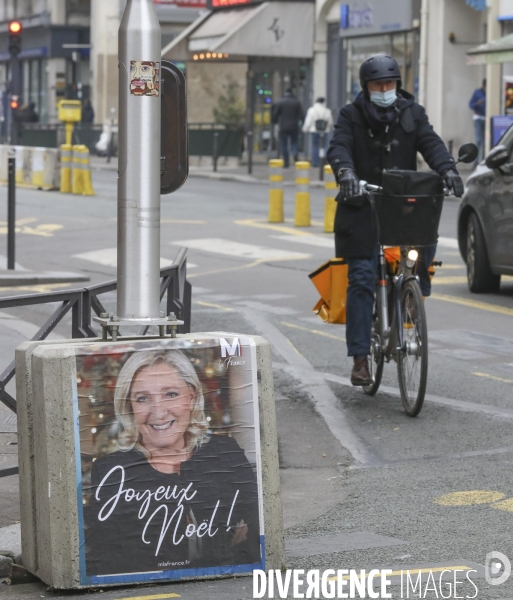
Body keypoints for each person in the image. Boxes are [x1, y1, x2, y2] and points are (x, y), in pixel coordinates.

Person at [327, 54, 463, 386]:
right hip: (361, 207)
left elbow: (431, 143)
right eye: (378, 84)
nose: (385, 89)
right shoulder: (350, 115)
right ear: (366, 87)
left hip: (401, 207)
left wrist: (447, 169)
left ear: (397, 85)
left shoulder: (411, 114)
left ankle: (416, 294)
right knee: (361, 279)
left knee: (425, 242)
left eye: (390, 84)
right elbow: (339, 147)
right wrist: (345, 173)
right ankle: (360, 358)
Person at [84, 348, 260, 576]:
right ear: (130, 407)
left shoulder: (224, 453)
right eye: (143, 398)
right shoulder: (111, 470)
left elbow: (255, 538)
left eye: (170, 394)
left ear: (192, 397)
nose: (158, 412)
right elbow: (117, 561)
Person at [272, 88, 304, 168]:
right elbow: (302, 115)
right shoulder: (296, 102)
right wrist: (301, 122)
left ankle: (286, 162)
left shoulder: (281, 102)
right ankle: (295, 155)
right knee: (294, 143)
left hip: (283, 126)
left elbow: (275, 114)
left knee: (284, 145)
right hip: (294, 126)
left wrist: (274, 122)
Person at [302, 97, 333, 167]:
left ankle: (315, 163)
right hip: (325, 131)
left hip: (314, 130)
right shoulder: (327, 110)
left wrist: (305, 129)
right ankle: (324, 161)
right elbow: (330, 122)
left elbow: (308, 121)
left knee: (315, 146)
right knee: (324, 146)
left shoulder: (312, 110)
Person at [469, 79, 486, 165]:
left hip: (485, 118)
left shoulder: (490, 92)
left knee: (485, 141)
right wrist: (477, 103)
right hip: (478, 117)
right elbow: (471, 104)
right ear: (483, 85)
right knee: (478, 140)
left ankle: (483, 160)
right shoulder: (477, 92)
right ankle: (475, 162)